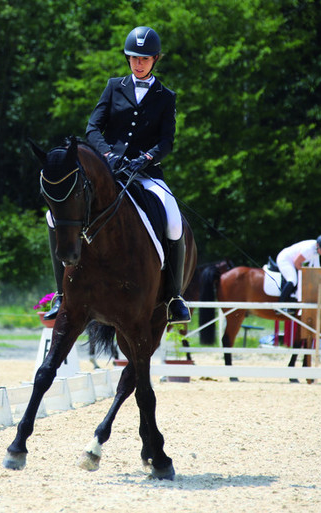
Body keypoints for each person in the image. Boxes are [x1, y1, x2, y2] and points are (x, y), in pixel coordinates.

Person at [43, 26, 190, 324]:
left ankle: (174, 297)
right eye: (134, 57)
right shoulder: (113, 86)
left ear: (155, 59)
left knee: (173, 221)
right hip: (110, 172)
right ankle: (61, 293)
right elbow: (93, 128)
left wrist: (146, 158)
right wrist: (108, 155)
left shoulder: (166, 96)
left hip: (146, 173)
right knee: (51, 217)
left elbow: (166, 141)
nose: (139, 63)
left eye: (145, 58)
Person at [276, 234, 321, 303]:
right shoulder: (309, 249)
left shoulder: (316, 250)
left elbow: (317, 268)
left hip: (292, 261)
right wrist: (307, 274)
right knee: (293, 280)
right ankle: (280, 304)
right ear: (318, 245)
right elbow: (296, 263)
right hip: (285, 260)